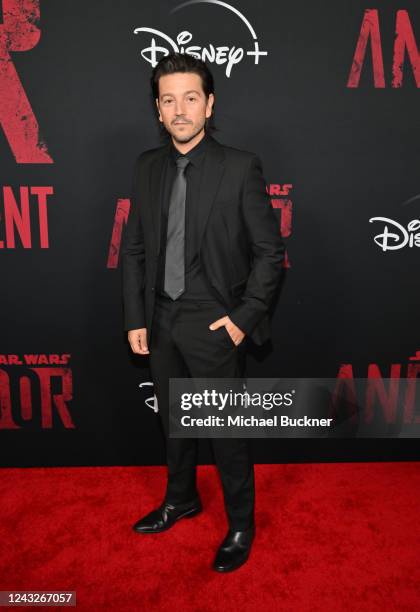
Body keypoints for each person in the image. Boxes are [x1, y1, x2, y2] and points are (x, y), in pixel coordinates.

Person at [121, 52, 285, 572]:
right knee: (174, 422)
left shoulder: (239, 166)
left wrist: (242, 318)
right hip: (160, 315)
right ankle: (181, 499)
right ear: (158, 109)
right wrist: (135, 318)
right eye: (168, 100)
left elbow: (269, 254)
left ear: (209, 103)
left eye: (190, 97)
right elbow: (135, 249)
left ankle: (241, 522)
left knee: (225, 429)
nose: (180, 109)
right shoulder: (147, 166)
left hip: (215, 320)